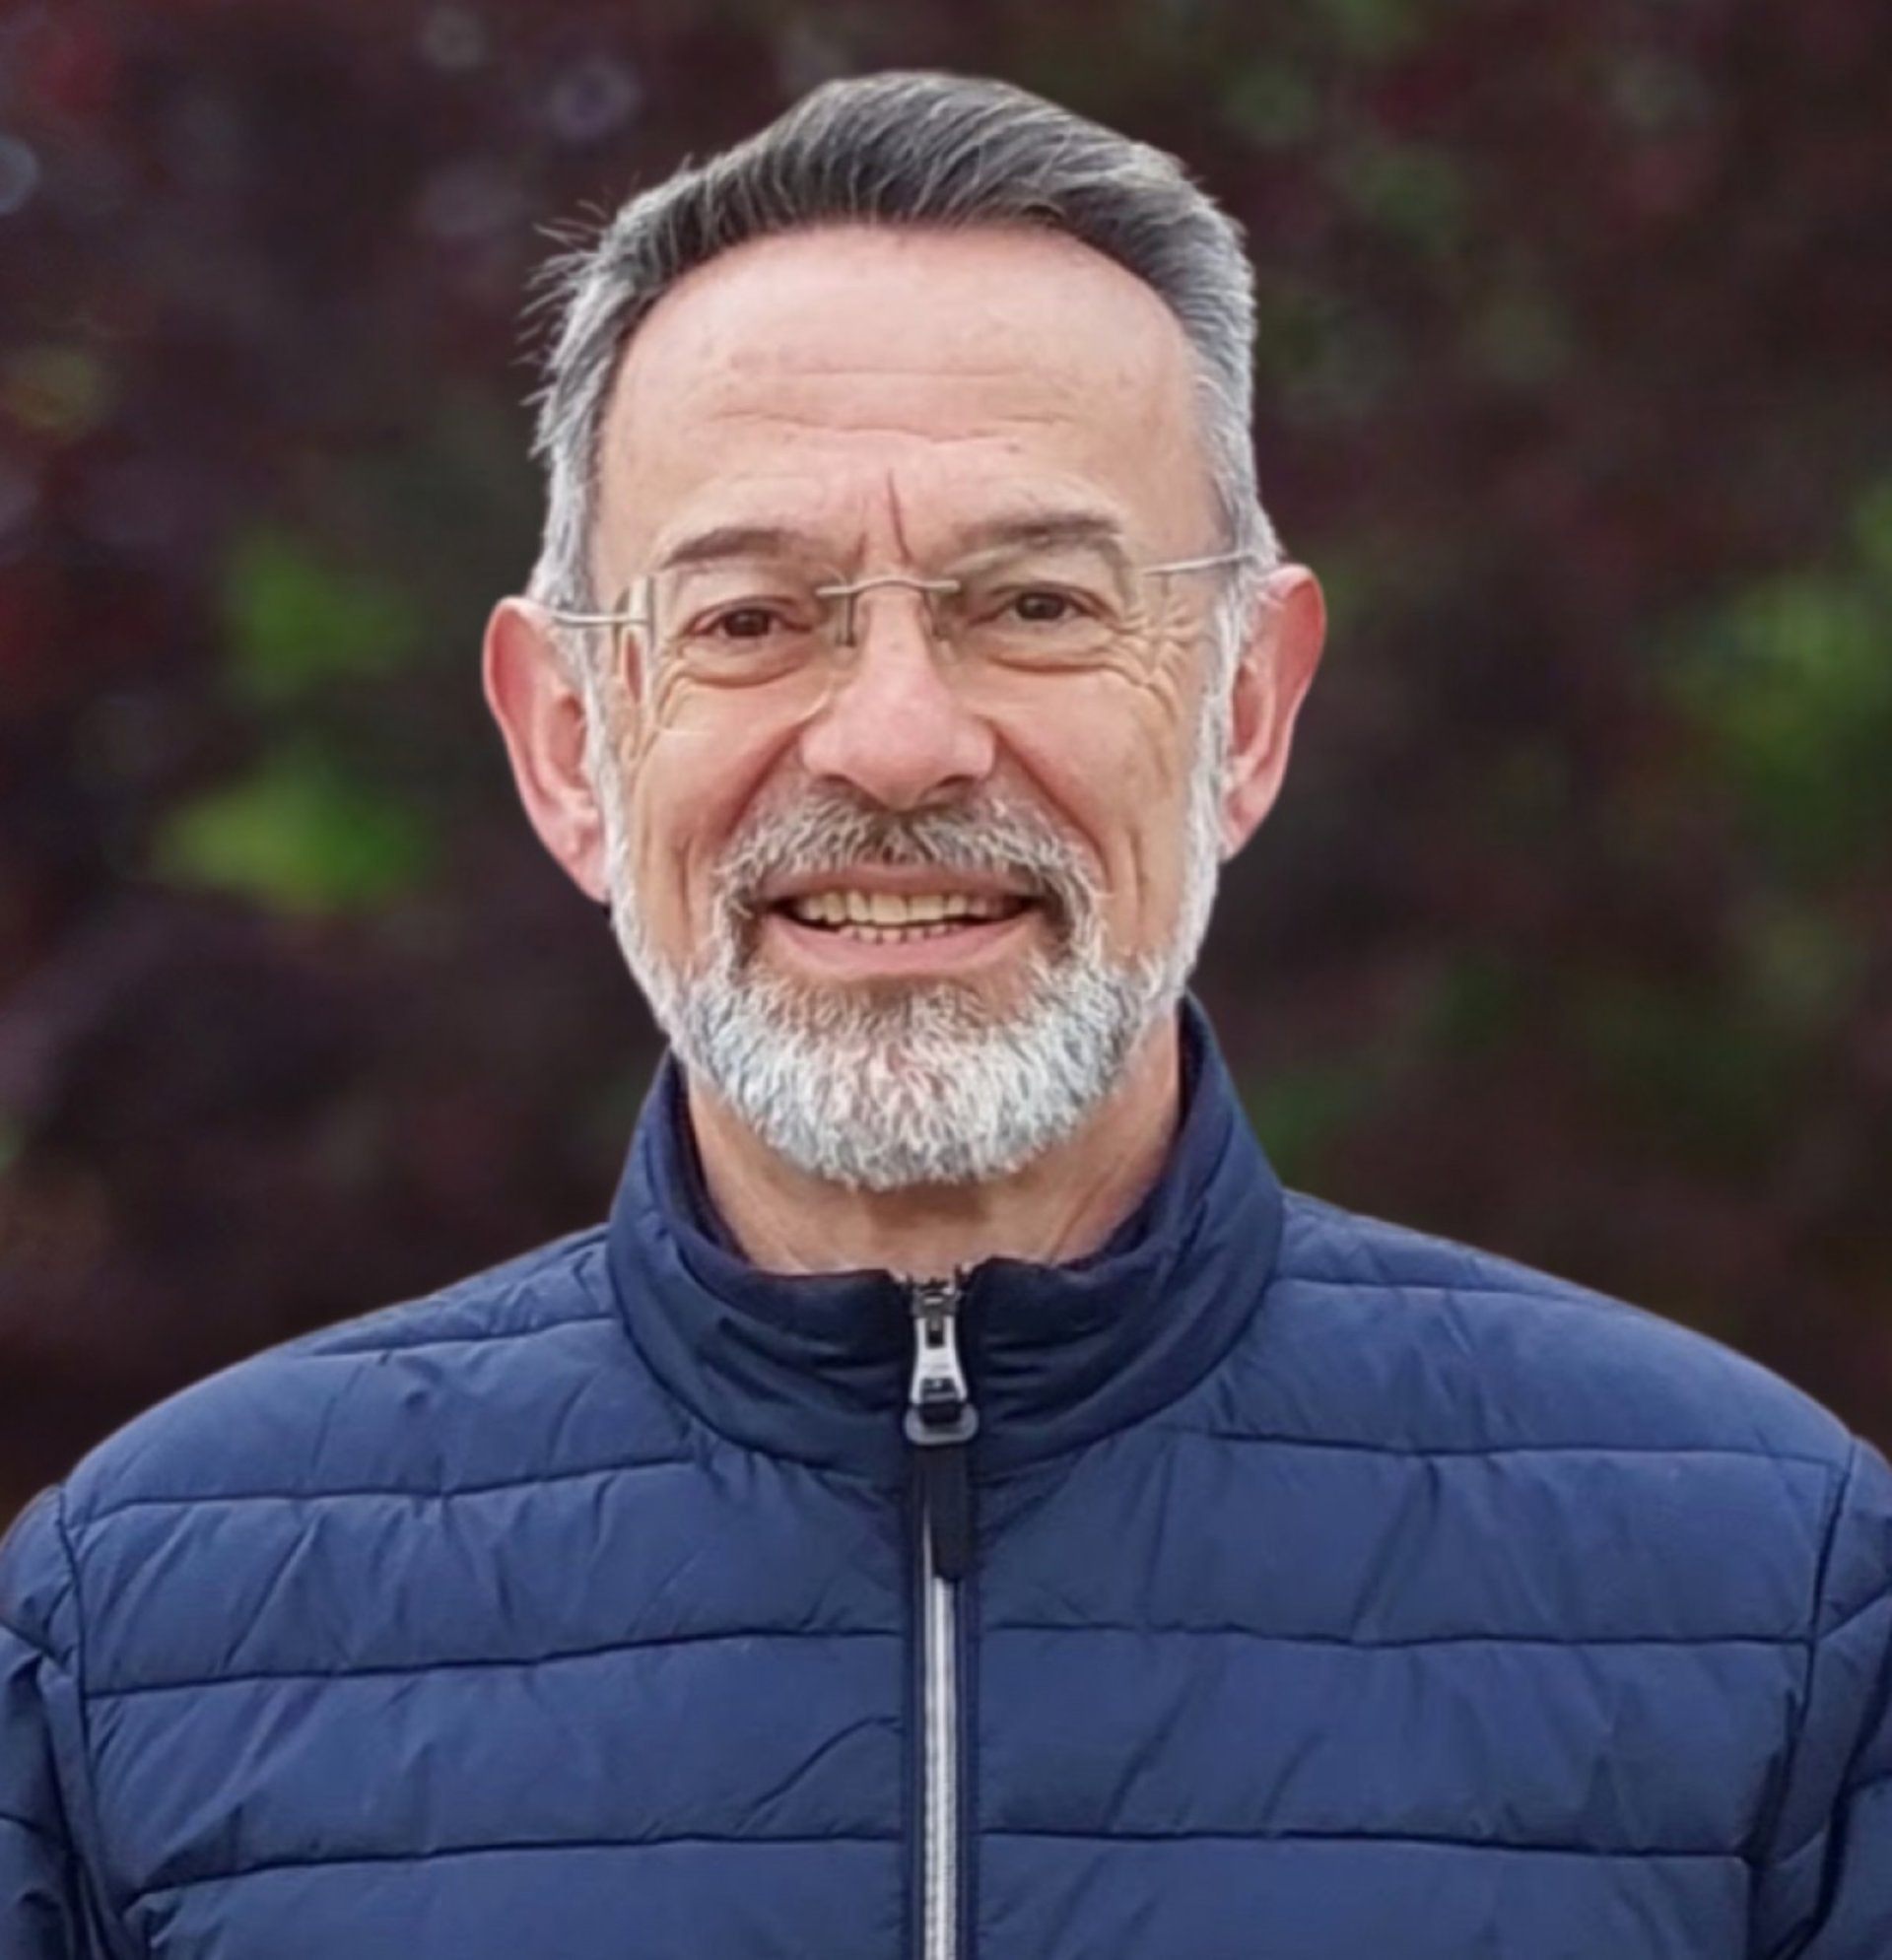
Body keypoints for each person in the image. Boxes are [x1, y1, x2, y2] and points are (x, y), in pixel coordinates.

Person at [2, 69, 1887, 1960]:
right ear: (570, 743)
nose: (897, 740)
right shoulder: (135, 1644)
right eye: (750, 618)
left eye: (1038, 605)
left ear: (1245, 707)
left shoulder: (1775, 1606)